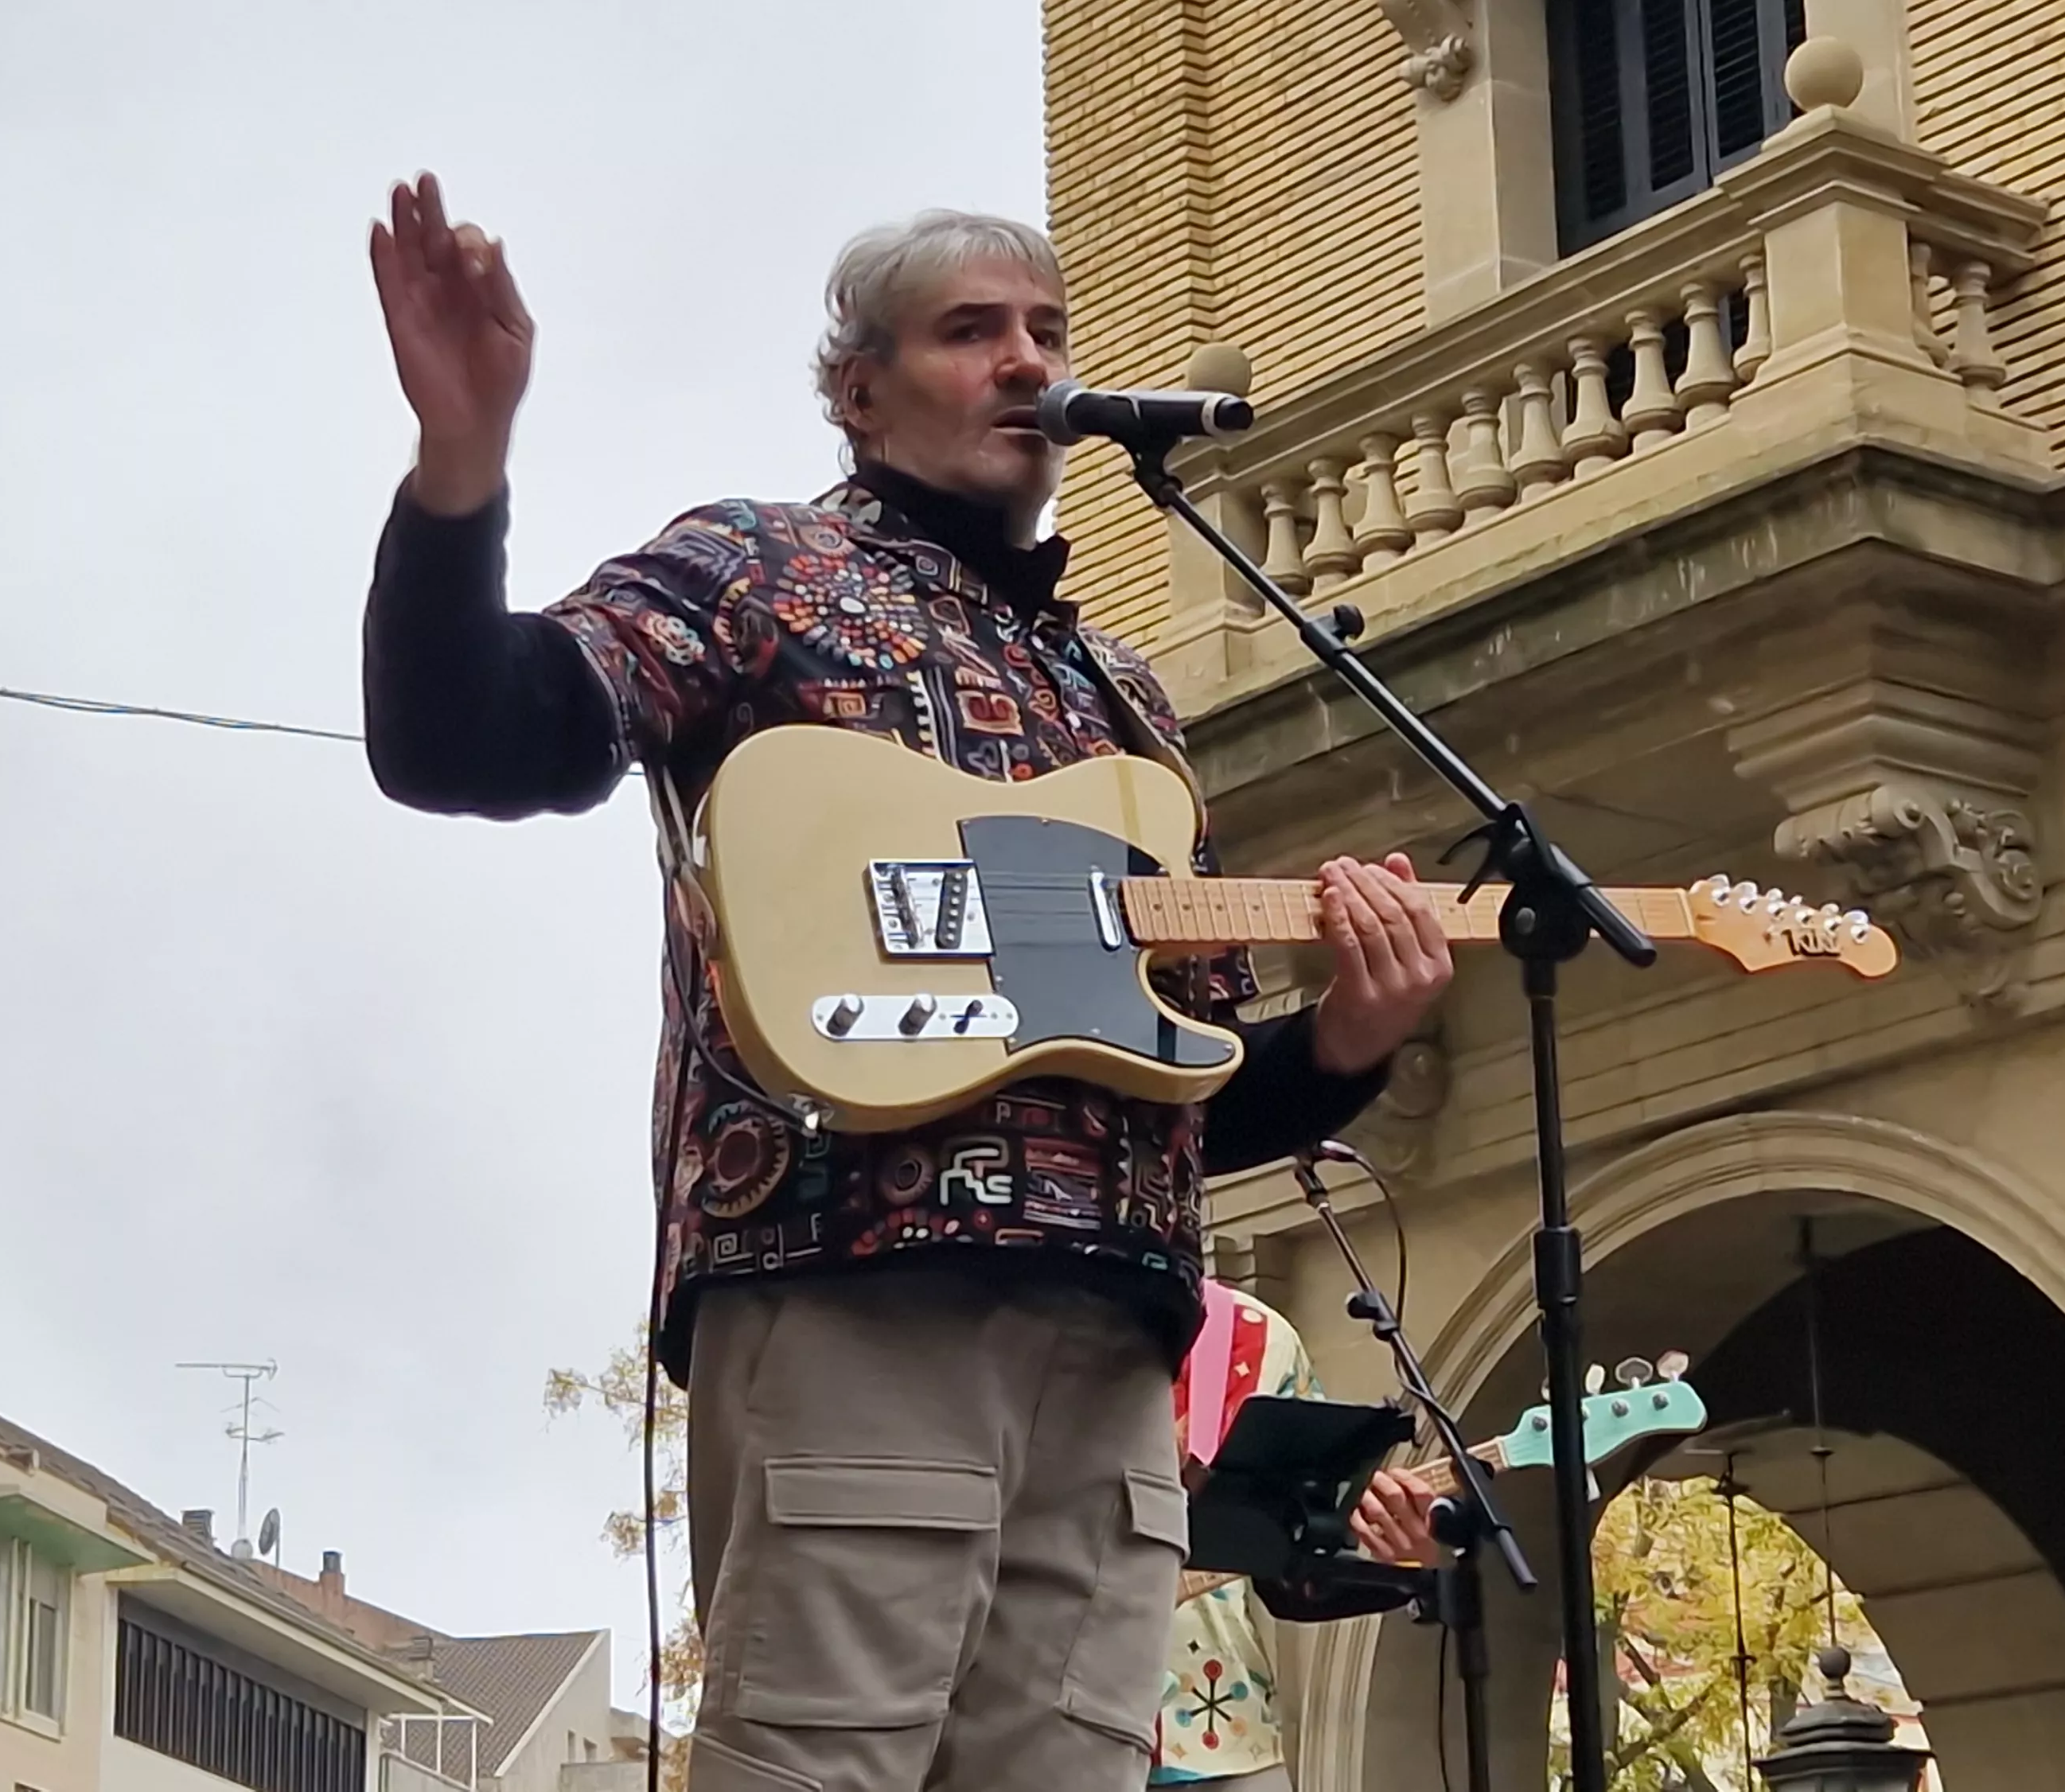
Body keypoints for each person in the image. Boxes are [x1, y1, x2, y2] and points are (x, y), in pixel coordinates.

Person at [360, 173, 1458, 1792]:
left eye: (1047, 332)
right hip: (855, 1280)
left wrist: (1351, 1038)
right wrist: (463, 464)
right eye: (970, 331)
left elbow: (1182, 1085)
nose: (1024, 362)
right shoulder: (756, 573)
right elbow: (467, 738)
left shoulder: (1129, 701)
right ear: (854, 386)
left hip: (1111, 1346)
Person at [1157, 1282, 1442, 1792]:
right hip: (1032, 1733)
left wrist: (1403, 1559)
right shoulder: (1010, 1309)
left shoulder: (1252, 1336)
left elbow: (1294, 1576)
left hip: (1218, 1738)